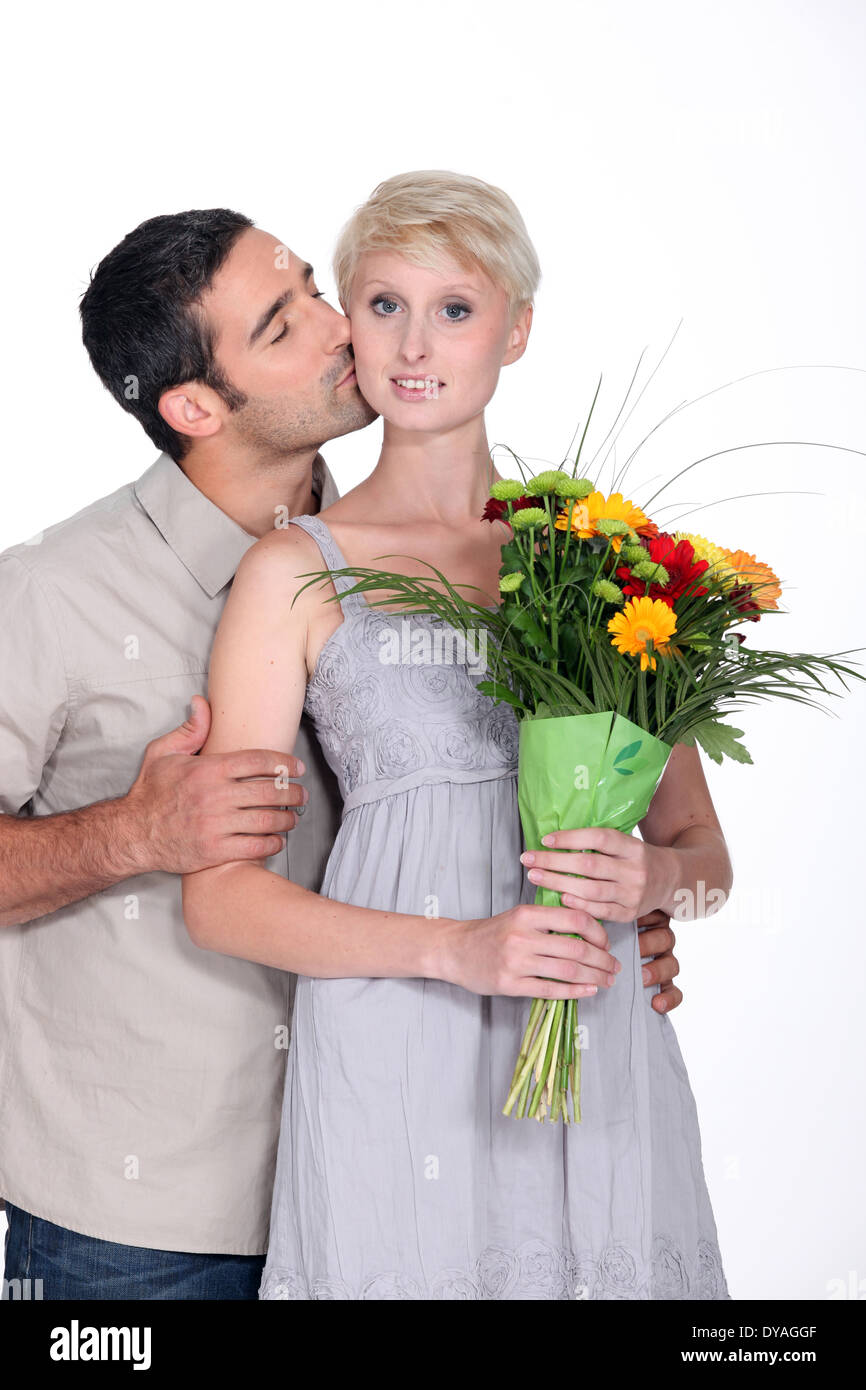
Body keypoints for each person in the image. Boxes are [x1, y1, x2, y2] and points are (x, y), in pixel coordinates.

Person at [0, 204, 684, 1301]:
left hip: (417, 1143)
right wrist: (131, 833)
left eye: (319, 288)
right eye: (282, 325)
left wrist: (627, 898)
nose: (337, 330)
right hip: (147, 1214)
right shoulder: (51, 590)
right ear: (192, 405)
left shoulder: (504, 560)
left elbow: (609, 815)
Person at [181, 172, 732, 1301]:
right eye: (382, 304)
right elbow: (217, 895)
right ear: (351, 323)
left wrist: (651, 876)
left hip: (589, 1015)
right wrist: (456, 950)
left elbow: (705, 858)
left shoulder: (599, 564)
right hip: (399, 1028)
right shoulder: (294, 569)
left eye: (455, 307)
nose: (414, 343)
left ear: (516, 328)